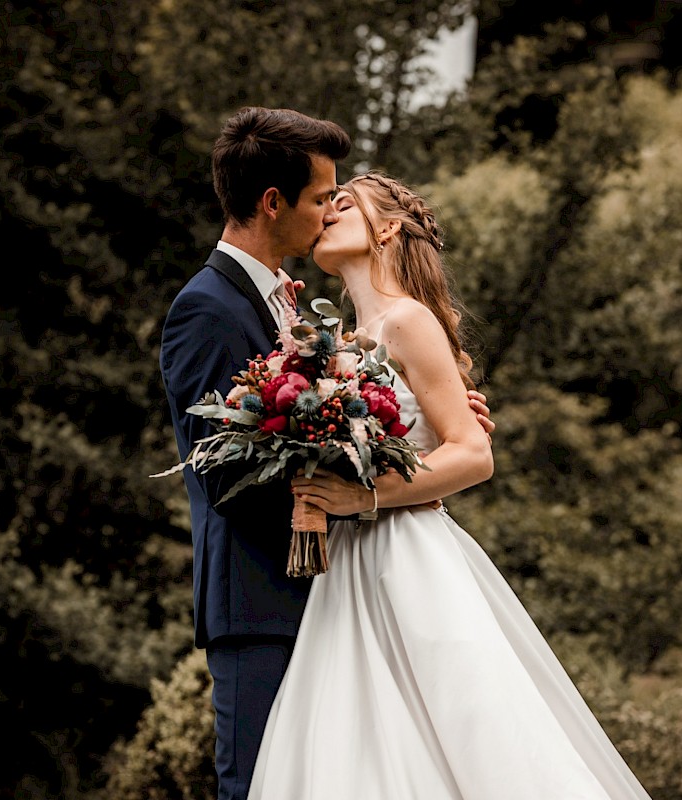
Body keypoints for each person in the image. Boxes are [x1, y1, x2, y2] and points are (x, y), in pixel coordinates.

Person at [246, 172, 655, 800]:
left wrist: (368, 496)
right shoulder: (334, 344)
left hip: (408, 556)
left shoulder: (407, 321)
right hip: (346, 567)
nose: (328, 211)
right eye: (325, 202)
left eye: (344, 203)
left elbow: (473, 452)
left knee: (472, 736)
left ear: (387, 228)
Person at [159, 108, 495, 800]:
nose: (326, 213)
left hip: (345, 587)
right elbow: (222, 471)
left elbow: (376, 418)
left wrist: (411, 444)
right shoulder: (208, 308)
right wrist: (368, 476)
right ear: (273, 202)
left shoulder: (307, 311)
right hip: (263, 602)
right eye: (320, 199)